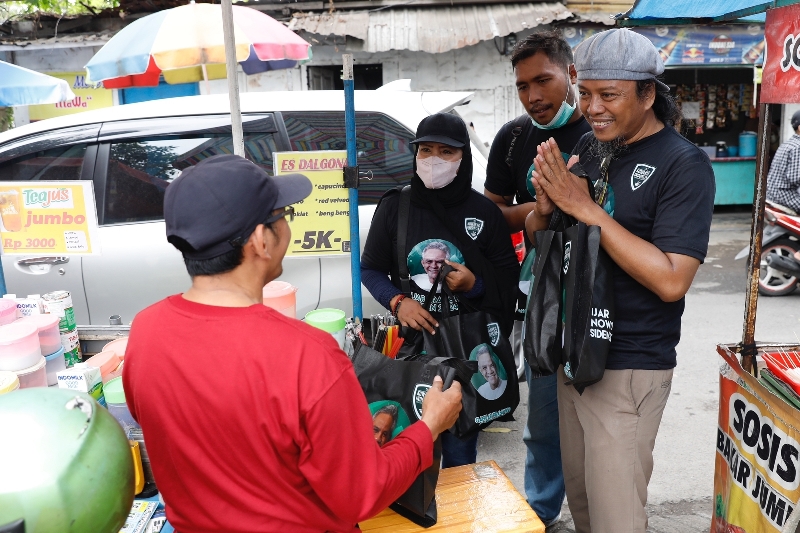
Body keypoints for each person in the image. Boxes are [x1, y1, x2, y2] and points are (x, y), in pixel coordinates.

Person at [123, 154, 463, 533]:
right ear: (260, 241)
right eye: (283, 214)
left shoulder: (146, 331)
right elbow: (363, 493)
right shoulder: (308, 355)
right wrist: (429, 425)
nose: (288, 224)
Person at [526, 29, 715, 533]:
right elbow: (547, 236)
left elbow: (673, 280)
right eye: (585, 93)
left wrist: (584, 208)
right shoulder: (591, 148)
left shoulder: (684, 164)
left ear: (648, 94)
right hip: (577, 352)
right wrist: (545, 210)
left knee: (618, 520)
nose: (592, 108)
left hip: (628, 365)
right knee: (586, 511)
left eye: (609, 95)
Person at [361, 112, 520, 468]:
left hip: (462, 353)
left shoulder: (484, 213)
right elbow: (370, 269)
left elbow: (509, 281)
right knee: (403, 452)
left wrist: (474, 285)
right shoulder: (394, 207)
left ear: (463, 159)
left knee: (460, 456)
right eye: (426, 150)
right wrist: (397, 301)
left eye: (446, 152)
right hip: (409, 351)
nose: (434, 160)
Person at [483, 30, 592, 528]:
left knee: (602, 422)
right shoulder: (512, 139)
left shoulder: (602, 128)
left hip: (600, 295)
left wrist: (575, 200)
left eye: (543, 80)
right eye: (523, 85)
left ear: (571, 74)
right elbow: (489, 215)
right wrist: (547, 203)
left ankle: (599, 512)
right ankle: (540, 512)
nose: (533, 96)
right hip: (542, 297)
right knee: (544, 418)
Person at [767, 110, 800, 215]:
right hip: (785, 196)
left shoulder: (788, 144)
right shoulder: (797, 147)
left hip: (773, 194)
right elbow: (795, 178)